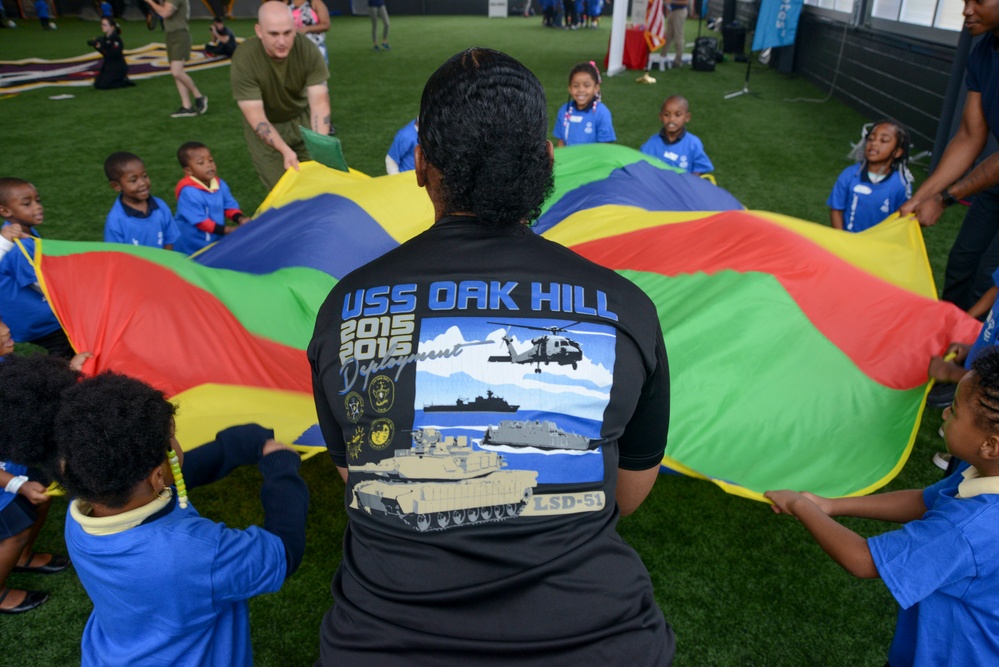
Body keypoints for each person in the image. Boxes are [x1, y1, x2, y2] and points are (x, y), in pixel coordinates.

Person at [309, 47, 675, 665]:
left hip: (383, 643)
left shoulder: (349, 309)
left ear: (421, 164)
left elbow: (361, 477)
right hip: (601, 642)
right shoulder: (627, 308)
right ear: (546, 160)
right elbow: (625, 493)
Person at [0, 357, 310, 665]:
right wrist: (281, 470)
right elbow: (284, 552)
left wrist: (235, 446)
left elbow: (172, 481)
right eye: (170, 439)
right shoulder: (196, 554)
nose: (176, 443)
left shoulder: (83, 514)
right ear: (156, 475)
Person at [767, 346, 999, 666]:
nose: (945, 413)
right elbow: (923, 501)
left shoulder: (969, 529)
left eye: (955, 410)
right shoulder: (981, 473)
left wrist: (801, 506)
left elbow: (863, 561)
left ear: (990, 445)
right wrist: (831, 505)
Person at [899, 0, 999, 310]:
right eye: (964, 1)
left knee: (988, 280)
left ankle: (973, 356)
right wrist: (920, 198)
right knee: (961, 263)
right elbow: (970, 136)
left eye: (979, 1)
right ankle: (948, 341)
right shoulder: (982, 52)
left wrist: (944, 199)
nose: (967, 10)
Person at [0, 330, 74, 615]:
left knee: (39, 501)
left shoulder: (8, 364)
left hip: (18, 467)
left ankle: (23, 556)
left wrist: (68, 369)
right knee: (13, 533)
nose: (7, 329)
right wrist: (18, 484)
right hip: (7, 482)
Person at [231, 1, 332, 191]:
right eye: (274, 34)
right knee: (284, 193)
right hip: (267, 126)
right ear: (259, 31)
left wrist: (320, 145)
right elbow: (256, 116)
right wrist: (285, 150)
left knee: (319, 186)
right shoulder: (245, 58)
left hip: (303, 119)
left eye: (287, 32)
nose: (282, 41)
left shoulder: (308, 49)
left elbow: (319, 103)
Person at [0, 178, 73, 358]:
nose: (37, 207)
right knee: (67, 352)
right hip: (38, 320)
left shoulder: (22, 231)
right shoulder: (18, 245)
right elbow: (37, 283)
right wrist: (72, 294)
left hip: (35, 316)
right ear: (5, 211)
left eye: (37, 201)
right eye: (27, 204)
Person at [827, 120, 911, 232]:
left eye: (884, 140)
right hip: (847, 243)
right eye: (870, 139)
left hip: (878, 246)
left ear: (897, 152)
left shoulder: (900, 184)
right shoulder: (849, 174)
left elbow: (900, 220)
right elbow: (836, 209)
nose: (874, 143)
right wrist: (842, 239)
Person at [173, 141, 246, 255]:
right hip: (190, 246)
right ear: (189, 171)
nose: (209, 165)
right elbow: (201, 222)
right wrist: (229, 230)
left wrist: (240, 219)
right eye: (201, 163)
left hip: (214, 240)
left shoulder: (220, 184)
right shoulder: (188, 192)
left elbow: (229, 205)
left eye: (211, 160)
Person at [143, 0, 207, 118]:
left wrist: (150, 2)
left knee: (176, 71)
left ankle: (199, 96)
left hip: (180, 35)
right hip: (171, 35)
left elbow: (164, 13)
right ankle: (187, 106)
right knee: (177, 73)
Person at [103, 152, 180, 250]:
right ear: (116, 186)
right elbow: (117, 256)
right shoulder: (115, 221)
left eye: (144, 176)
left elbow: (169, 241)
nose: (143, 183)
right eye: (133, 180)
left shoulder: (161, 206)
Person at [639, 95, 714, 175]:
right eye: (666, 115)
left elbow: (700, 167)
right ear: (660, 117)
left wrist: (691, 183)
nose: (671, 119)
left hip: (682, 186)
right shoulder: (652, 143)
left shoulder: (693, 143)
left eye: (678, 115)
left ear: (687, 117)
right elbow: (640, 165)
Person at [553, 62, 615, 147]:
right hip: (569, 159)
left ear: (596, 88)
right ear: (570, 88)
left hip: (593, 159)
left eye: (587, 85)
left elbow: (604, 147)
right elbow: (561, 142)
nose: (581, 90)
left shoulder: (602, 112)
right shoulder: (564, 110)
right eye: (575, 86)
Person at [88, 17, 135, 90]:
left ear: (112, 27)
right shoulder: (105, 38)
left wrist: (100, 48)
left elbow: (113, 54)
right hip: (108, 66)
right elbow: (105, 51)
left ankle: (123, 81)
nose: (102, 26)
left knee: (103, 85)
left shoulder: (116, 40)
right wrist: (96, 46)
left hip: (117, 67)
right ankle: (119, 79)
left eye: (105, 25)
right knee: (97, 84)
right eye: (102, 24)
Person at [662, 0, 688, 68]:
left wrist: (672, 2)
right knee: (668, 36)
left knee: (678, 36)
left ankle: (678, 60)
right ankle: (663, 55)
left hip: (679, 11)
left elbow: (685, 2)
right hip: (672, 11)